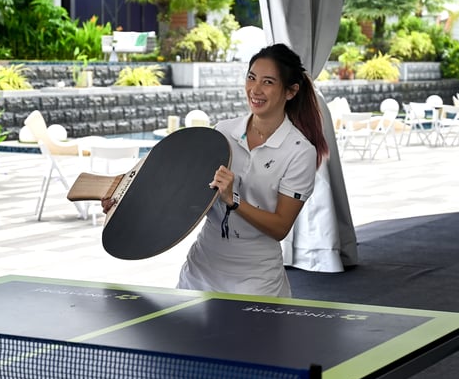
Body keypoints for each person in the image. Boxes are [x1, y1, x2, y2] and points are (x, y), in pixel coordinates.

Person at [103, 43, 328, 297]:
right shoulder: (223, 131)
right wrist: (125, 203)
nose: (255, 89)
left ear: (291, 91)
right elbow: (185, 195)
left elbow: (280, 228)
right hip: (201, 271)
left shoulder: (300, 152)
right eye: (251, 78)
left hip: (256, 279)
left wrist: (234, 200)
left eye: (268, 82)